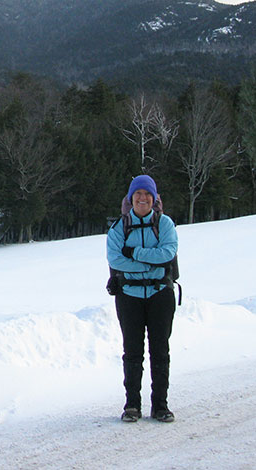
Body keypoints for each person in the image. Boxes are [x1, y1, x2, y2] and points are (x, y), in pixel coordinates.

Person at [106, 174, 178, 423]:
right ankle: (132, 406)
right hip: (129, 296)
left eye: (147, 194)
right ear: (130, 197)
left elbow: (167, 254)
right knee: (132, 352)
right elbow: (115, 259)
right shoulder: (118, 227)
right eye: (138, 193)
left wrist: (134, 253)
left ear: (154, 197)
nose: (142, 198)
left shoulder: (165, 223)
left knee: (160, 351)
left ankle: (160, 406)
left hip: (160, 294)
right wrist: (148, 264)